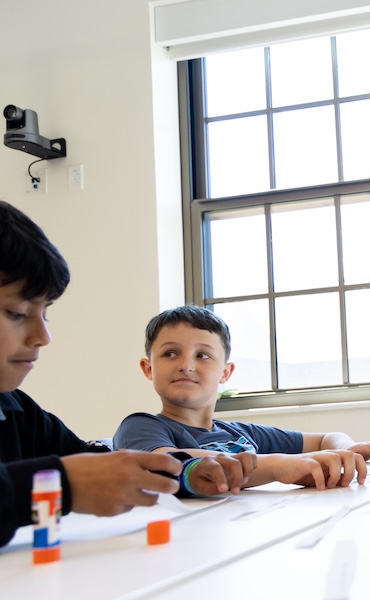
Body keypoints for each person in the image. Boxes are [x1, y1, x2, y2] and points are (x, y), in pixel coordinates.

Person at [0, 201, 253, 548]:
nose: (42, 337)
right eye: (16, 313)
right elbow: (69, 475)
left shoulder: (15, 411)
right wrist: (66, 483)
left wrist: (189, 475)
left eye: (45, 314)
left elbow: (99, 466)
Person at [115, 306, 370, 491]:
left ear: (225, 372)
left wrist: (346, 447)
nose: (186, 365)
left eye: (202, 355)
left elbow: (327, 437)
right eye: (170, 353)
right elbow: (167, 464)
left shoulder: (237, 433)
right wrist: (277, 466)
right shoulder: (140, 426)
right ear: (148, 368)